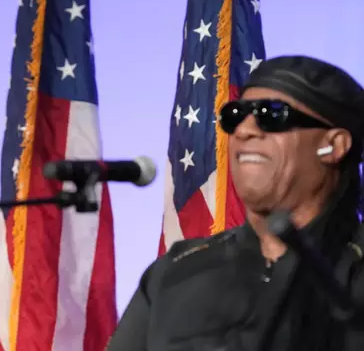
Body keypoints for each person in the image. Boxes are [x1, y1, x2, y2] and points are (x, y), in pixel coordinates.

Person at [107, 55, 364, 351]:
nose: (244, 130)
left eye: (271, 114)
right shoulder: (174, 273)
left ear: (334, 145)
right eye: (234, 115)